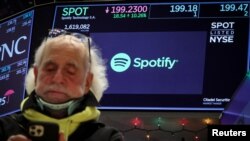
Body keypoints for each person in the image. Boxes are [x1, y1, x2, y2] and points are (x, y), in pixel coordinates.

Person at [0, 29, 124, 141]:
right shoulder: (3, 129)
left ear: (87, 82)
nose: (57, 78)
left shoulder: (108, 138)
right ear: (36, 75)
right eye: (50, 69)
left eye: (70, 72)